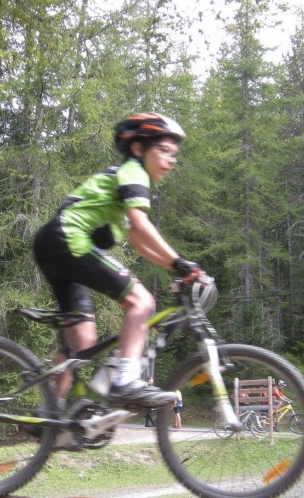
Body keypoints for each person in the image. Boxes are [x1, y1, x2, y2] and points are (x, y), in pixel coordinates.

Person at [32, 112, 206, 408]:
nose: (171, 160)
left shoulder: (123, 185)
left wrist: (175, 267)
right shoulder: (133, 171)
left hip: (54, 244)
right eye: (163, 151)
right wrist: (179, 263)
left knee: (82, 343)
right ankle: (126, 380)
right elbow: (141, 225)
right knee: (142, 302)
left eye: (174, 154)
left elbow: (139, 242)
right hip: (67, 239)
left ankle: (50, 412)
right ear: (138, 149)